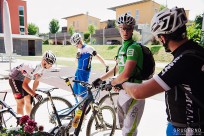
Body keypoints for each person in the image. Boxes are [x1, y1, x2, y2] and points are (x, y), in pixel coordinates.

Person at [119, 7, 204, 136]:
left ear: (163, 38)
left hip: (187, 130)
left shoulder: (183, 61)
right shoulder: (198, 51)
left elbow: (138, 92)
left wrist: (122, 84)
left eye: (158, 38)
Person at [92, 13, 145, 136]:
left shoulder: (134, 48)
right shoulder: (121, 48)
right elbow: (117, 69)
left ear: (132, 29)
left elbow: (126, 74)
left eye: (128, 28)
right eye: (122, 28)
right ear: (119, 29)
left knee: (129, 131)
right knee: (124, 129)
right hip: (123, 93)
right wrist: (100, 79)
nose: (125, 31)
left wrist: (112, 83)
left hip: (134, 94)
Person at [9, 50, 56, 116]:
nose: (51, 66)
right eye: (50, 64)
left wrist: (33, 94)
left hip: (23, 79)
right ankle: (20, 123)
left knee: (28, 100)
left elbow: (36, 81)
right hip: (14, 78)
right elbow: (24, 85)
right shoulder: (33, 68)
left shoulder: (42, 69)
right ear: (44, 61)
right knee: (21, 103)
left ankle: (31, 121)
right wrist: (35, 95)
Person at [70, 33, 108, 100]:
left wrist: (105, 64)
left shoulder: (89, 48)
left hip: (84, 73)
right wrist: (77, 57)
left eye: (76, 45)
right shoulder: (79, 50)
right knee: (76, 92)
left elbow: (98, 56)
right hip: (78, 72)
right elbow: (76, 63)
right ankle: (79, 107)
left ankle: (83, 108)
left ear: (80, 41)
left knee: (83, 93)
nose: (75, 47)